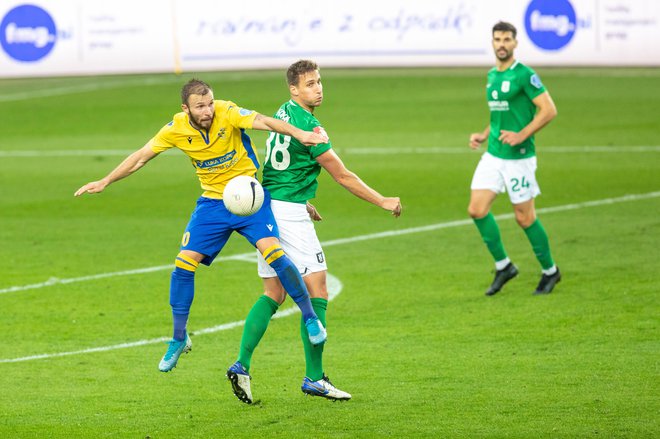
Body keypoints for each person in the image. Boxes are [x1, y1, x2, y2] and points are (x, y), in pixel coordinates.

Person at [74, 78, 330, 373]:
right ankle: (178, 338)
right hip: (212, 205)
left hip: (249, 198)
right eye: (200, 106)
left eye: (209, 103)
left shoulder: (228, 111)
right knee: (183, 265)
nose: (207, 110)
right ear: (186, 109)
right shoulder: (175, 129)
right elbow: (141, 158)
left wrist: (301, 134)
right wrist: (105, 180)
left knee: (274, 253)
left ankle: (310, 318)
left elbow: (265, 122)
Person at [226, 60, 402, 404]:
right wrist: (382, 200)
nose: (318, 88)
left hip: (266, 209)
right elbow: (343, 176)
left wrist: (304, 199)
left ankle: (241, 365)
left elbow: (283, 163)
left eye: (319, 82)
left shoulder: (284, 113)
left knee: (273, 292)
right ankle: (315, 377)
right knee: (317, 287)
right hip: (288, 214)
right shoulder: (310, 127)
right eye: (310, 84)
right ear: (294, 89)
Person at [468, 21, 560, 296]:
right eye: (497, 39)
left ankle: (550, 271)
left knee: (524, 218)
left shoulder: (524, 75)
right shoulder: (492, 75)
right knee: (477, 209)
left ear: (515, 43)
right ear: (493, 42)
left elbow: (549, 110)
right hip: (494, 155)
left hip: (519, 158)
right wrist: (485, 135)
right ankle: (504, 266)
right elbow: (499, 115)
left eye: (507, 39)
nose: (502, 44)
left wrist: (521, 134)